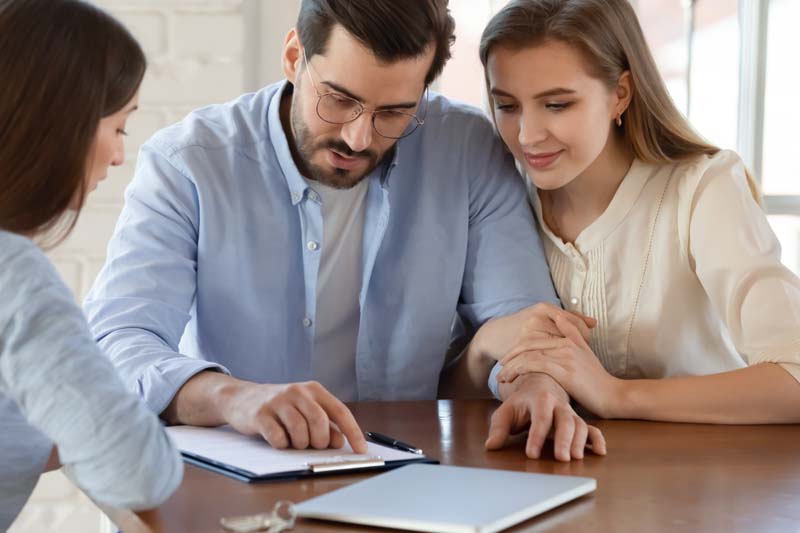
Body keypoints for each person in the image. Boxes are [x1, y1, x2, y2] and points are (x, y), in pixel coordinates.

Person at [83, 0, 606, 461]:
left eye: (395, 112)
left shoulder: (467, 150)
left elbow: (519, 324)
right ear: (294, 58)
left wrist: (536, 385)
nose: (358, 137)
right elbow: (117, 341)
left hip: (412, 471)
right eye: (337, 99)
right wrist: (233, 396)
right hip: (240, 469)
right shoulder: (190, 164)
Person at [470, 0, 800, 437]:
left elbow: (794, 375)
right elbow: (465, 384)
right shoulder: (502, 200)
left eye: (556, 105)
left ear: (619, 94)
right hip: (569, 478)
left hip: (714, 478)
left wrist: (614, 395)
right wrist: (481, 345)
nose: (527, 135)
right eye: (508, 107)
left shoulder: (702, 187)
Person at [0, 0, 183, 528]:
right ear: (64, 124)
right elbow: (139, 473)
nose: (120, 155)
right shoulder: (14, 275)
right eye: (120, 127)